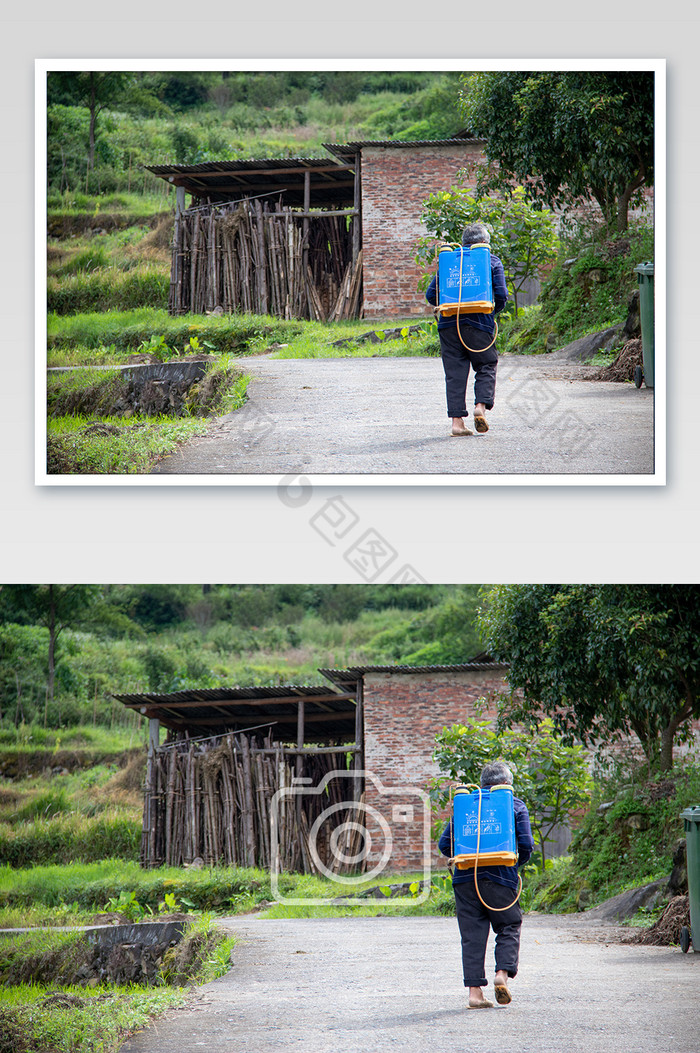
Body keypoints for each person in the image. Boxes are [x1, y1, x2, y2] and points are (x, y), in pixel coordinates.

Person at [438, 760, 534, 1010]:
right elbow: (526, 845)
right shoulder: (514, 805)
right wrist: (513, 866)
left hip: (465, 880)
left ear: (482, 785)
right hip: (500, 878)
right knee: (509, 924)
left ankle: (474, 994)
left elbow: (444, 844)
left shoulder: (464, 806)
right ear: (505, 785)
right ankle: (502, 974)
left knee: (471, 937)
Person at [425, 223, 509, 437]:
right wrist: (490, 313)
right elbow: (501, 295)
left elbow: (431, 294)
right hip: (479, 324)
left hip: (448, 325)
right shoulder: (490, 260)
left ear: (463, 244)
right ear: (484, 243)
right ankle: (480, 407)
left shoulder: (449, 262)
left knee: (454, 374)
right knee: (486, 364)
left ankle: (456, 423)